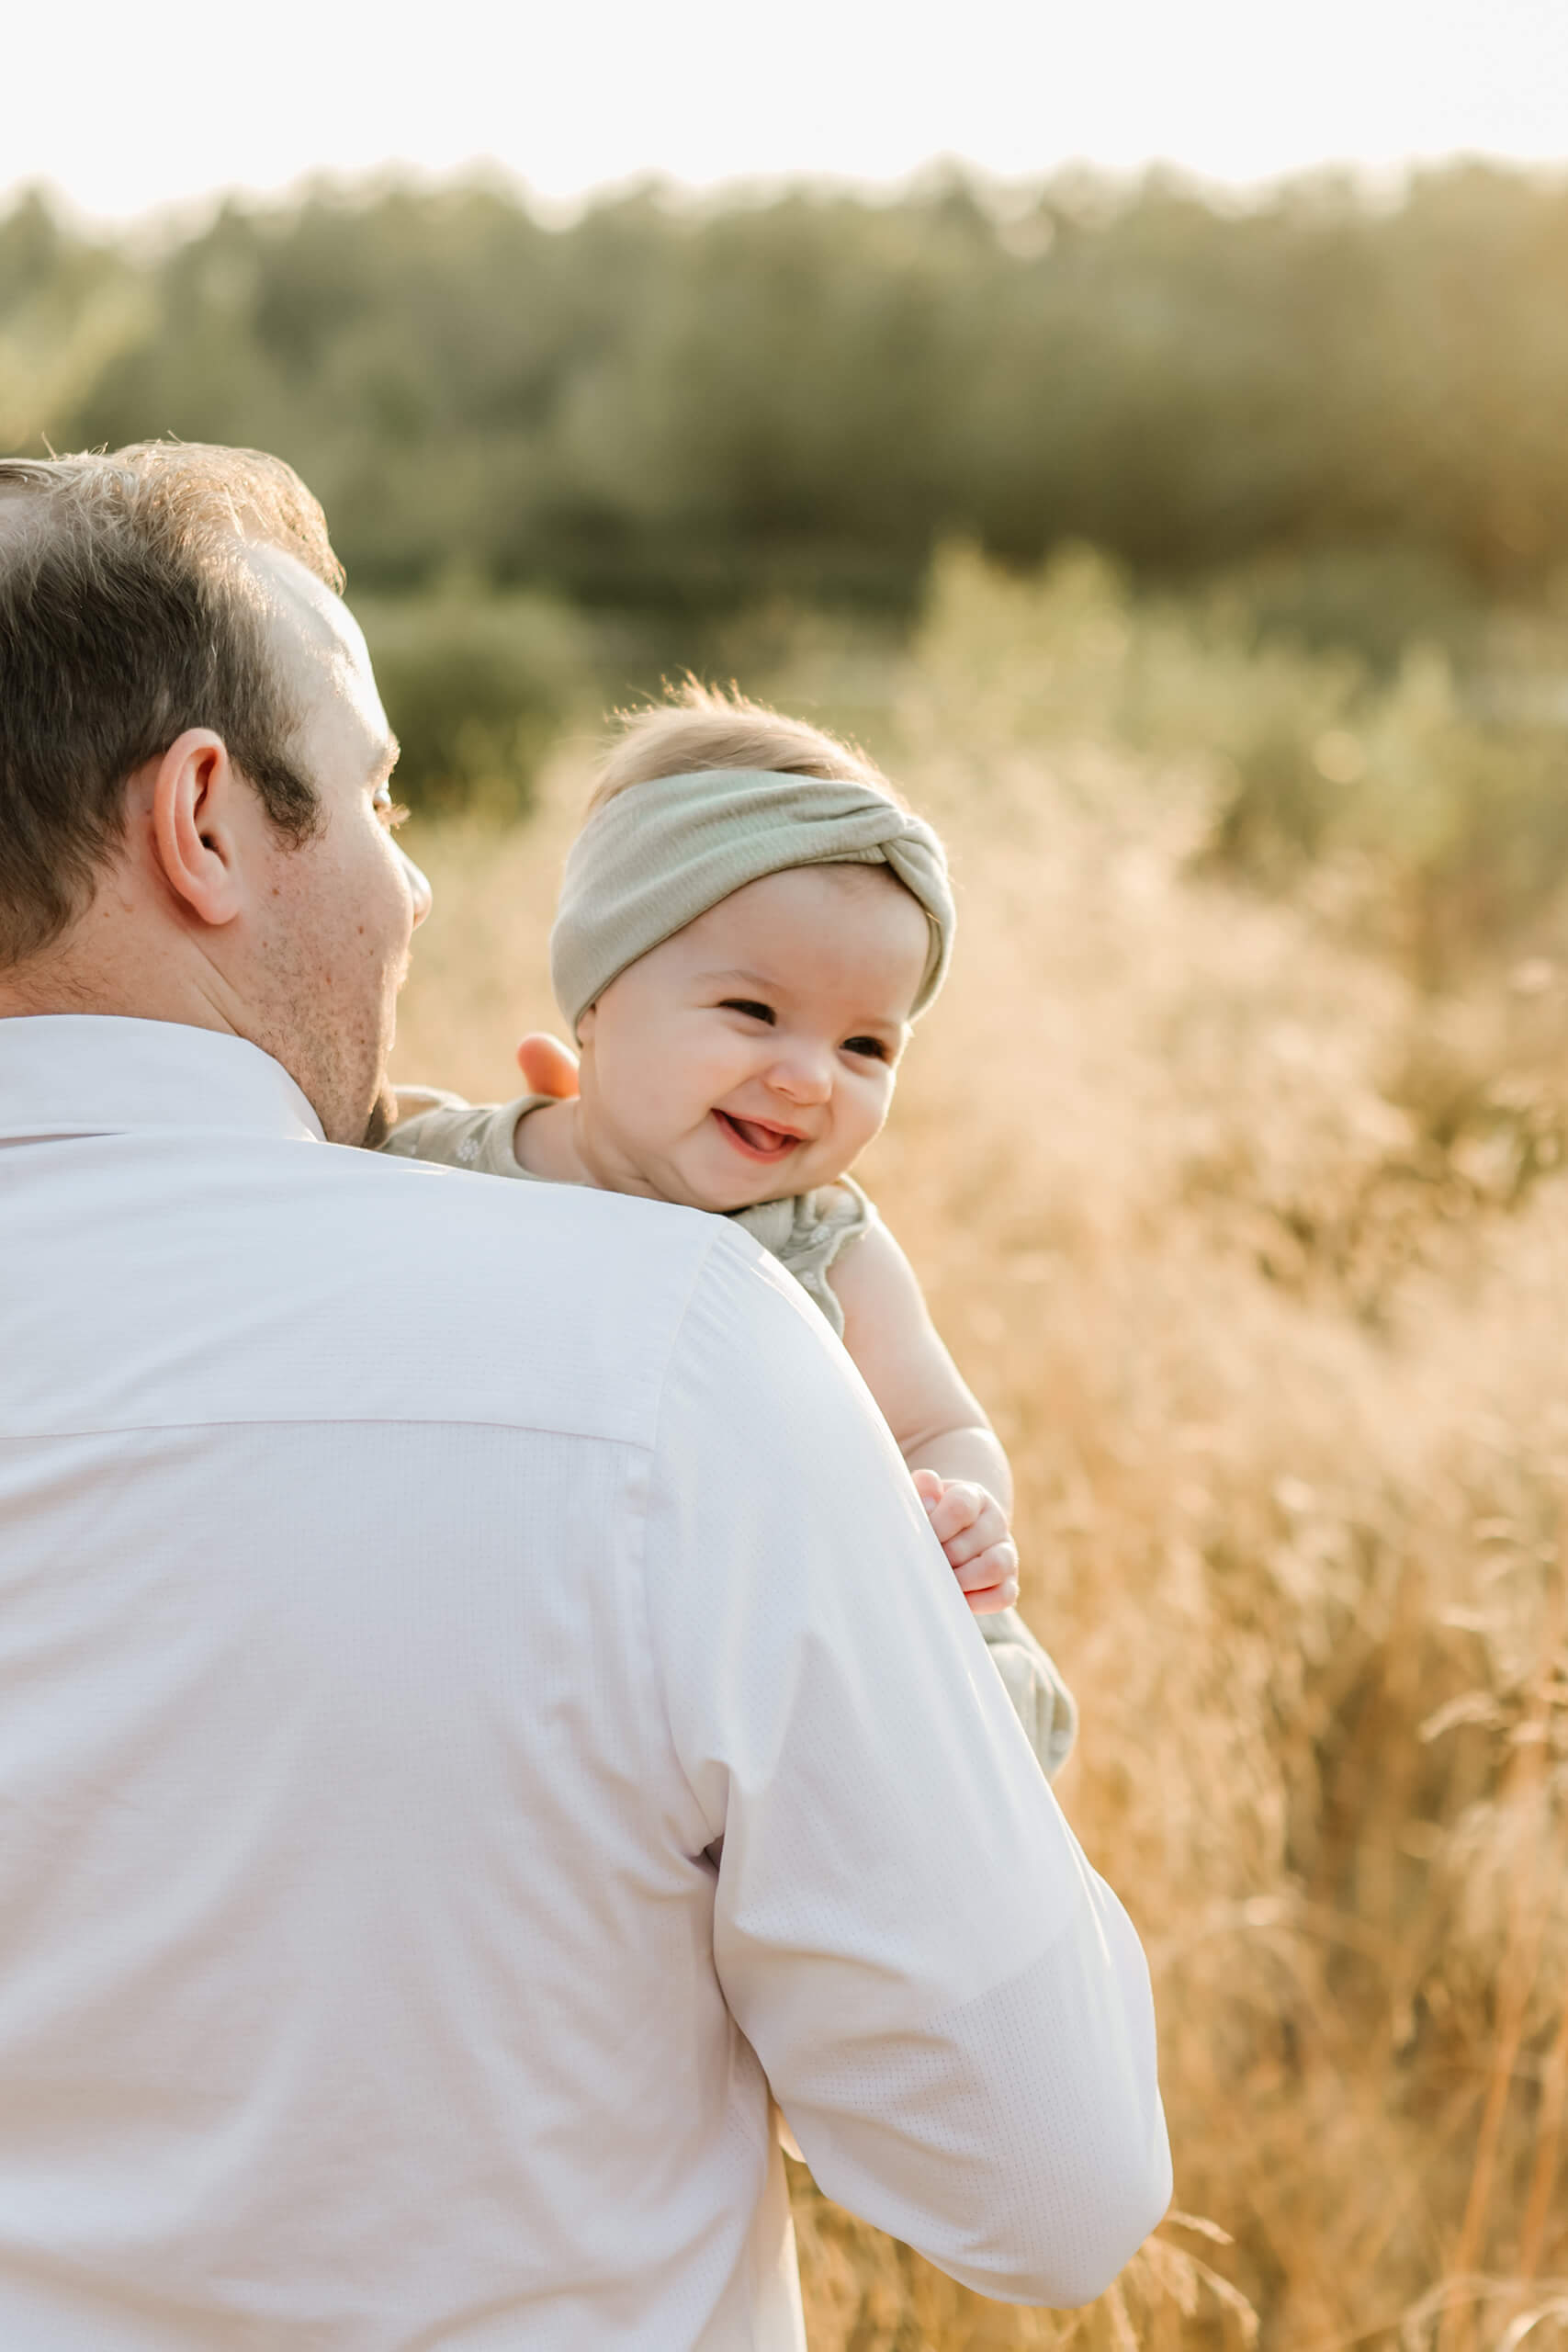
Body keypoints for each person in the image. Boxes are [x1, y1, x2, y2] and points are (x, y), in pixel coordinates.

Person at [0, 441, 1171, 2349]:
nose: (415, 880)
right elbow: (1048, 2184)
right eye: (375, 797)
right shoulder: (672, 1351)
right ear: (202, 819)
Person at [383, 686, 1077, 1775]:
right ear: (600, 996)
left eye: (866, 1047)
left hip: (790, 1657)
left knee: (951, 1721)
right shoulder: (436, 1165)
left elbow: (941, 1423)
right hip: (535, 1649)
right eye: (753, 1012)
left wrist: (961, 1508)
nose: (806, 1077)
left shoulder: (826, 1246)